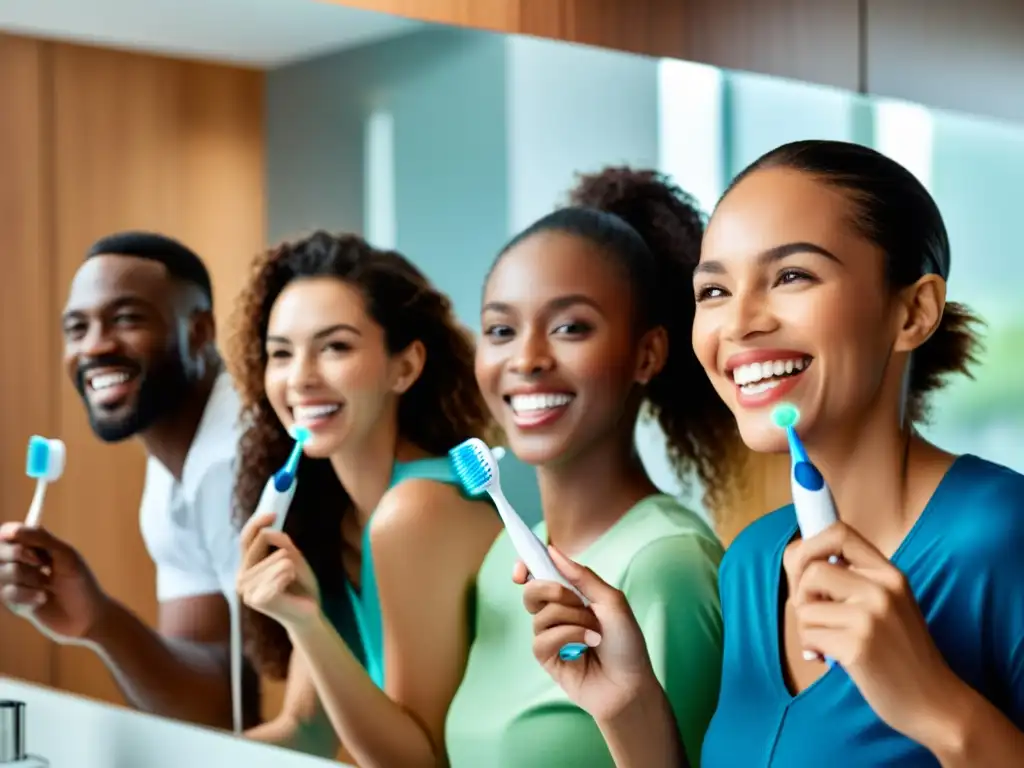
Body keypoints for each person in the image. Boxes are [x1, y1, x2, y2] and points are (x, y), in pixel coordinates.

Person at [524, 140, 1024, 767]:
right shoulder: (751, 564)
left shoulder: (1005, 536)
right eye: (713, 292)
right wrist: (628, 707)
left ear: (913, 311)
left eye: (791, 276)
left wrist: (937, 709)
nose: (738, 324)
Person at [443, 168, 745, 768]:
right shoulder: (504, 561)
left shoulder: (668, 563)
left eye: (570, 327)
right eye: (501, 329)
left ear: (647, 354)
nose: (526, 359)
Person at [229, 230, 502, 762]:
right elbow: (306, 730)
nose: (300, 379)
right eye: (281, 354)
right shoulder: (329, 515)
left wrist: (305, 622)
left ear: (405, 367)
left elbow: (419, 762)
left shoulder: (416, 511)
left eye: (335, 347)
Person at [0, 231, 250, 729]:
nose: (94, 346)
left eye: (127, 318)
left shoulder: (238, 461)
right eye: (76, 327)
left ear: (199, 331)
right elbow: (216, 706)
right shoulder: (171, 468)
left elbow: (266, 718)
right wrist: (97, 621)